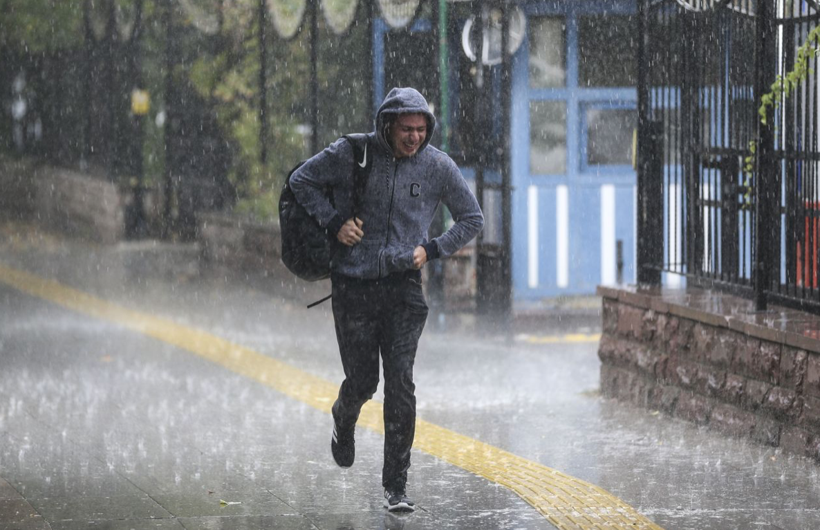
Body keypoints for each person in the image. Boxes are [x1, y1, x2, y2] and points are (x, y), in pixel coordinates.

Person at [289, 87, 484, 512]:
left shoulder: (437, 166)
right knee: (363, 382)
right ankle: (344, 415)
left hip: (403, 288)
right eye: (406, 129)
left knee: (400, 384)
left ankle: (396, 485)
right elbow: (301, 181)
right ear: (388, 124)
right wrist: (335, 222)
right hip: (353, 286)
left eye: (421, 129)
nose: (414, 137)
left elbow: (472, 218)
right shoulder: (353, 153)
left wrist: (431, 249)